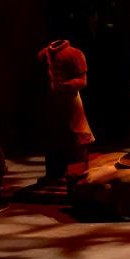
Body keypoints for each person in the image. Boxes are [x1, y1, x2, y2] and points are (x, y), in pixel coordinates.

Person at [37, 38, 93, 182]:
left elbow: (82, 80)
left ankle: (75, 173)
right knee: (53, 137)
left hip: (70, 101)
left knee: (76, 135)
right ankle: (54, 173)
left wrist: (67, 85)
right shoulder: (43, 54)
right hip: (52, 104)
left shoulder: (74, 54)